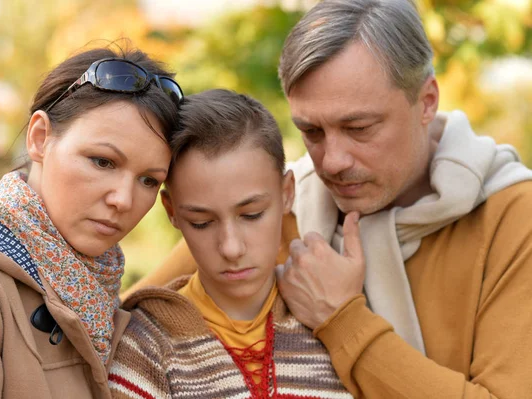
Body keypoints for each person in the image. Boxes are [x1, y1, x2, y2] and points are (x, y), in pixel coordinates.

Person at [124, 1, 532, 398]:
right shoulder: (270, 208)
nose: (331, 163)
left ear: (426, 101)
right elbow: (116, 328)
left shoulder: (514, 219)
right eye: (312, 132)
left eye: (358, 128)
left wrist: (342, 321)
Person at [0, 44, 183, 399]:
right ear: (39, 138)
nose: (123, 200)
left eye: (148, 180)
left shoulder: (98, 295)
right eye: (102, 161)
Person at [108, 89, 353, 399]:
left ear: (288, 192)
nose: (231, 248)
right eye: (202, 222)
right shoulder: (145, 347)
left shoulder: (331, 322)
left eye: (251, 215)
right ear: (172, 211)